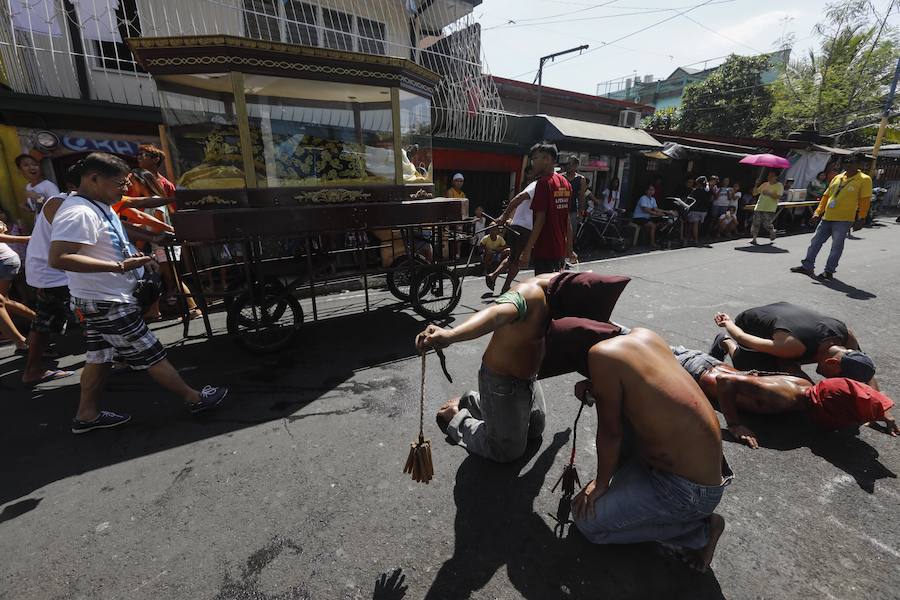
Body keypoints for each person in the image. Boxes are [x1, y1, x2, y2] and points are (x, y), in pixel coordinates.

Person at [48, 153, 228, 434]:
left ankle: (87, 415)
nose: (125, 189)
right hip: (106, 300)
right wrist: (119, 266)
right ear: (94, 179)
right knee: (151, 352)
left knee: (99, 358)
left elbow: (111, 238)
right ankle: (194, 398)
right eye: (120, 183)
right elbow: (59, 257)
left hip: (100, 298)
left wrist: (137, 255)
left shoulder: (97, 206)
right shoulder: (78, 212)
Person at [415, 272, 631, 463]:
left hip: (528, 380)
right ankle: (456, 417)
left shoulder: (562, 284)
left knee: (535, 430)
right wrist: (451, 335)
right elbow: (496, 314)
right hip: (502, 383)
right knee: (507, 451)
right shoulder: (530, 293)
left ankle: (473, 401)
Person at [571, 328, 730, 573]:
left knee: (586, 521)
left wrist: (601, 484)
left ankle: (701, 532)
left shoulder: (601, 354)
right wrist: (598, 389)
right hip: (689, 473)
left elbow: (611, 433)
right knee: (591, 500)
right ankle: (675, 514)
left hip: (687, 492)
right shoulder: (643, 336)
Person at [672, 345, 897, 449]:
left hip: (708, 364)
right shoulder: (784, 398)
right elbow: (726, 382)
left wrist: (879, 412)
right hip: (690, 369)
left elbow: (788, 363)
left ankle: (725, 343)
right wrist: (734, 424)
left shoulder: (809, 387)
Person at [710, 302, 877, 388]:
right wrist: (727, 323)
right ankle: (724, 342)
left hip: (783, 315)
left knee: (789, 364)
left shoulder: (846, 336)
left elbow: (863, 366)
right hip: (749, 323)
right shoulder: (792, 347)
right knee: (754, 371)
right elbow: (742, 336)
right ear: (832, 362)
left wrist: (880, 407)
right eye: (838, 379)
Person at [22, 164, 80, 386]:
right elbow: (74, 240)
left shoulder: (75, 203)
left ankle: (34, 368)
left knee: (46, 321)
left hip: (53, 271)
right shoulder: (60, 203)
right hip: (55, 272)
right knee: (50, 320)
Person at [790, 154, 872, 280]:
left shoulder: (864, 179)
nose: (848, 164)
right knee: (815, 242)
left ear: (858, 165)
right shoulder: (838, 177)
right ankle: (807, 266)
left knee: (836, 247)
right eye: (846, 162)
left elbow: (865, 201)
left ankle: (829, 271)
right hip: (827, 217)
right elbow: (826, 196)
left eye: (852, 162)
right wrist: (817, 212)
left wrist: (861, 218)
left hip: (844, 219)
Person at [520, 142, 577, 275]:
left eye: (535, 158)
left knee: (544, 286)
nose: (533, 163)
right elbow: (567, 219)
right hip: (559, 250)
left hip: (545, 249)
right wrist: (569, 249)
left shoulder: (543, 183)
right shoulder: (565, 183)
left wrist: (527, 250)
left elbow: (540, 219)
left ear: (547, 159)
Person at [491, 167, 537, 293]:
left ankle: (494, 275)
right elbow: (518, 199)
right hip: (524, 228)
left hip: (516, 225)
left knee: (513, 257)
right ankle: (506, 286)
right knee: (517, 260)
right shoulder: (536, 186)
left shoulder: (530, 187)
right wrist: (504, 216)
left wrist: (508, 218)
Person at [0, 217, 35, 354]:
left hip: (3, 261)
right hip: (6, 260)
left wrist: (26, 239)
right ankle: (41, 321)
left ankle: (22, 343)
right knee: (4, 301)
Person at [750, 171, 783, 245]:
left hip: (769, 208)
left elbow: (778, 196)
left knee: (766, 224)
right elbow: (754, 193)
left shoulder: (779, 185)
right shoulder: (764, 184)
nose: (769, 177)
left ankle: (772, 231)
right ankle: (754, 239)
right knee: (756, 223)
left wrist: (769, 193)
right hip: (759, 206)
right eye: (768, 176)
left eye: (771, 176)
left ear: (776, 177)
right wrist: (756, 185)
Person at [563, 155, 587, 228]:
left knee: (571, 230)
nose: (568, 166)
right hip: (560, 209)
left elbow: (581, 197)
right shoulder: (561, 177)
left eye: (570, 164)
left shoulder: (581, 179)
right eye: (566, 164)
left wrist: (580, 212)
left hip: (573, 210)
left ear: (576, 165)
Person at [686, 176, 712, 244]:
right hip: (704, 210)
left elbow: (689, 198)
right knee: (699, 224)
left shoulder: (695, 191)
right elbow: (710, 199)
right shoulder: (707, 190)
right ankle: (694, 238)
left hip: (695, 209)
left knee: (694, 224)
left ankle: (695, 239)